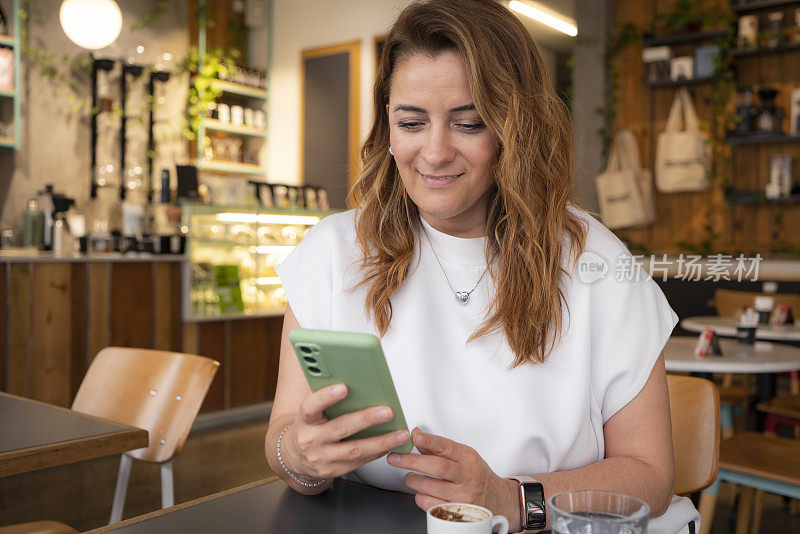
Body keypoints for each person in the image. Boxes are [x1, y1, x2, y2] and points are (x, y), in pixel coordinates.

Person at [265, 1, 699, 532]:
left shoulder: (598, 264)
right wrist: (302, 459)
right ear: (388, 127)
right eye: (411, 122)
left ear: (519, 129)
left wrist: (511, 500)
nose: (436, 152)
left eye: (469, 123)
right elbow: (283, 441)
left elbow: (651, 475)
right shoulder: (333, 251)